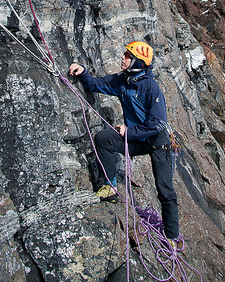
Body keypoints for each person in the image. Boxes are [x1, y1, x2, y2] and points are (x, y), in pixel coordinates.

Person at [69, 40, 180, 246]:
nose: (122, 57)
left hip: (158, 143)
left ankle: (172, 236)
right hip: (137, 139)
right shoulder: (123, 81)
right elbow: (96, 84)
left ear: (137, 61)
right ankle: (110, 187)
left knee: (165, 189)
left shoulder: (151, 88)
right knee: (104, 138)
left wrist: (130, 131)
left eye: (126, 55)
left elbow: (158, 123)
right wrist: (83, 72)